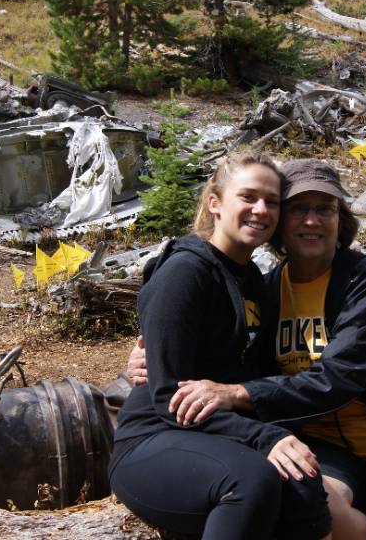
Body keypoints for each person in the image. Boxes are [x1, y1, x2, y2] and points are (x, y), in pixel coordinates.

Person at [128, 158, 366, 540]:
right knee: (314, 513)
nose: (312, 220)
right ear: (281, 222)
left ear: (339, 219)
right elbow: (229, 352)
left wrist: (239, 394)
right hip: (321, 448)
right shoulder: (267, 289)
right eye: (299, 208)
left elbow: (339, 376)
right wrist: (149, 361)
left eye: (325, 209)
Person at [109, 152, 333, 540]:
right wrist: (266, 437)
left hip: (215, 435)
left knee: (301, 478)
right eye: (248, 197)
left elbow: (258, 372)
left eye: (272, 202)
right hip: (154, 439)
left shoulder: (254, 281)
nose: (261, 210)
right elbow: (166, 397)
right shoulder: (184, 274)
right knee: (251, 479)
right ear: (215, 202)